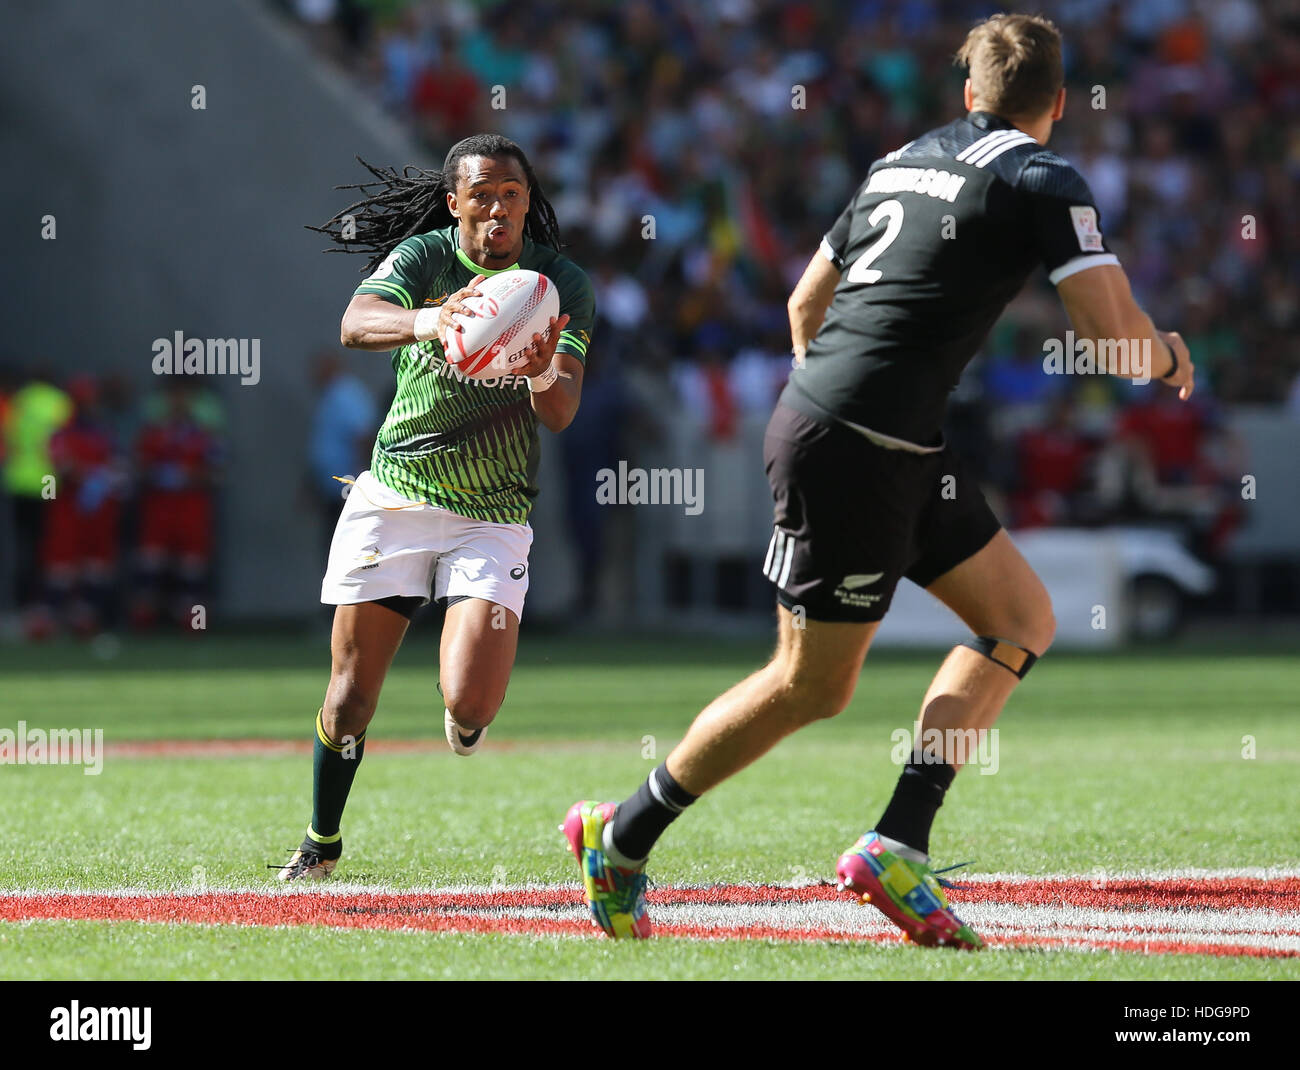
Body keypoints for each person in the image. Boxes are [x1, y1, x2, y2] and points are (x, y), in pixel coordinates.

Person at [565, 13, 1195, 946]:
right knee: (810, 684)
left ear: (968, 93)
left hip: (884, 441)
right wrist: (1166, 357)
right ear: (1059, 103)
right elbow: (1108, 331)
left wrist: (834, 404)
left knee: (1020, 619)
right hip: (861, 445)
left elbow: (803, 303)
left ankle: (899, 840)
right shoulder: (1043, 175)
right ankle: (619, 838)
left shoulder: (900, 159)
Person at [274, 134, 595, 881]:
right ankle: (321, 841)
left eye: (511, 195)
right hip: (398, 496)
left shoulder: (557, 283)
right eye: (480, 194)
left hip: (494, 511)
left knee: (472, 702)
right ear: (454, 204)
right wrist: (432, 320)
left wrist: (540, 361)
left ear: (526, 203)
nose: (497, 209)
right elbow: (354, 324)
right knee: (352, 698)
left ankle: (464, 718)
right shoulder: (425, 260)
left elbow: (562, 413)